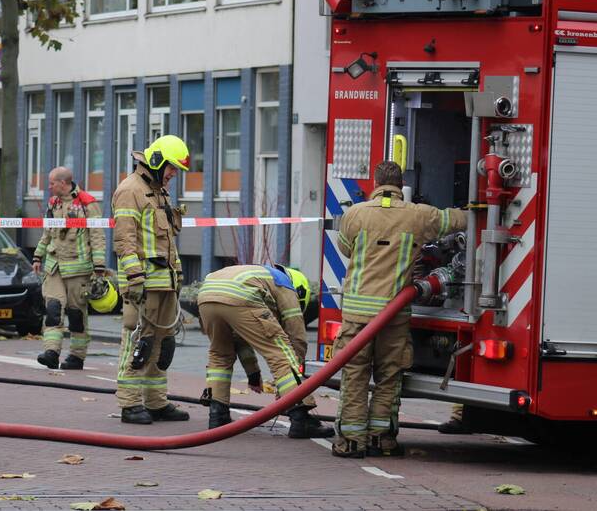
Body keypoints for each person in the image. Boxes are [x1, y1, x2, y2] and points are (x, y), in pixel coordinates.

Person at [332, 161, 467, 458]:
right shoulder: (418, 216)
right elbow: (456, 220)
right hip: (393, 316)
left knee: (354, 375)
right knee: (389, 377)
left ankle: (351, 442)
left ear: (376, 182)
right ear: (400, 184)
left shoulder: (355, 214)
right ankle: (382, 440)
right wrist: (482, 209)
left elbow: (345, 248)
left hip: (356, 316)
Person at [198, 264, 333, 437]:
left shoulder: (260, 276)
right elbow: (296, 334)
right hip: (240, 296)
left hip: (206, 296)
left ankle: (217, 417)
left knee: (220, 354)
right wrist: (292, 379)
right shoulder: (285, 285)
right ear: (300, 292)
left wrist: (253, 374)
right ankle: (301, 419)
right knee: (281, 354)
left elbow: (240, 339)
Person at [112, 135, 191, 424]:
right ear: (157, 161)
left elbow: (167, 240)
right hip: (143, 282)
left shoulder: (160, 191)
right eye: (171, 168)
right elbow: (125, 238)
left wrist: (177, 275)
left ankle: (156, 402)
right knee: (138, 341)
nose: (173, 174)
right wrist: (134, 277)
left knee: (162, 343)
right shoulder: (130, 190)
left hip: (165, 281)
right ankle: (130, 404)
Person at [33, 167, 107, 370]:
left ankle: (76, 356)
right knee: (53, 310)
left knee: (76, 315)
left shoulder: (87, 203)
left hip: (78, 269)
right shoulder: (53, 203)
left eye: (51, 183)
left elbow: (97, 236)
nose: (49, 187)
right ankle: (51, 352)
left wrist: (99, 268)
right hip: (54, 266)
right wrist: (38, 255)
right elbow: (47, 233)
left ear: (63, 183)